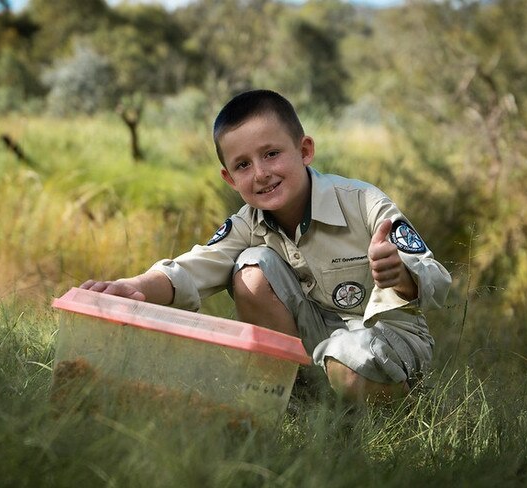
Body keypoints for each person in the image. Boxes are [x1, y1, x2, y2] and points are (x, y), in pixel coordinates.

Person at [81, 89, 452, 404]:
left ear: (304, 150)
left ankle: (404, 415)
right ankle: (294, 401)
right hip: (317, 339)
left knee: (347, 360)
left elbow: (437, 280)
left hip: (387, 337)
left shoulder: (363, 202)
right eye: (243, 165)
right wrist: (133, 288)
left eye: (271, 154)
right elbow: (193, 268)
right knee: (251, 266)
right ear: (229, 178)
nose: (260, 173)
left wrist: (401, 275)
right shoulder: (246, 223)